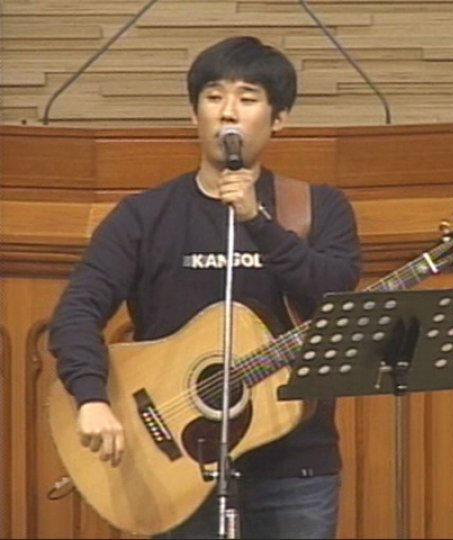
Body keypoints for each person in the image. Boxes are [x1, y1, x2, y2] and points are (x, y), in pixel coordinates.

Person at [48, 36, 362, 539]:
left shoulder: (319, 208)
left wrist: (258, 222)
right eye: (214, 96)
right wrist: (91, 397)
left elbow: (333, 299)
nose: (228, 112)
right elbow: (77, 310)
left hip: (295, 466)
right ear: (194, 113)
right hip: (174, 463)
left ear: (279, 119)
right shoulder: (144, 216)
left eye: (248, 98)